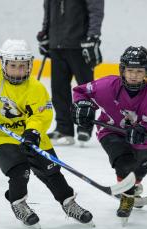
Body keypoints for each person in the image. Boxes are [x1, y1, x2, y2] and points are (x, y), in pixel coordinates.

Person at [0, 39, 94, 229]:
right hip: (0, 136)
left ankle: (69, 203)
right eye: (13, 66)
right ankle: (18, 203)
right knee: (20, 170)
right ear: (3, 64)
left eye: (23, 66)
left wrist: (33, 132)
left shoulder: (35, 88)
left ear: (30, 65)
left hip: (32, 135)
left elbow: (42, 114)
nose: (19, 70)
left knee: (52, 171)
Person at [71, 46, 147, 223]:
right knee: (124, 162)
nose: (134, 75)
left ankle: (133, 185)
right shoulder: (107, 86)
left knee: (141, 169)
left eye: (139, 71)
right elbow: (81, 92)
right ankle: (127, 197)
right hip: (110, 130)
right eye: (130, 70)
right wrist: (83, 106)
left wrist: (145, 131)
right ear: (122, 70)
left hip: (138, 138)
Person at [37, 0, 104, 146]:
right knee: (58, 89)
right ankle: (63, 129)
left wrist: (93, 36)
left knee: (86, 89)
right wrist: (45, 33)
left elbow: (96, 10)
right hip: (57, 45)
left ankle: (84, 126)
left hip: (81, 44)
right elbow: (48, 10)